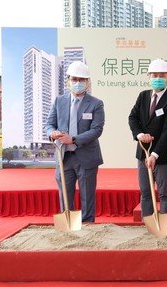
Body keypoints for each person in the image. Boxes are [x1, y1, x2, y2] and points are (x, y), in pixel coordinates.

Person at [45, 61, 105, 223]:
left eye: (81, 80)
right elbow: (49, 124)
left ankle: (88, 228)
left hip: (86, 157)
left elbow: (96, 130)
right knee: (65, 195)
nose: (77, 83)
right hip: (64, 157)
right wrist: (52, 133)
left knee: (87, 196)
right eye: (74, 79)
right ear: (68, 80)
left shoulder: (96, 104)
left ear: (87, 82)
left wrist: (73, 139)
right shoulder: (59, 101)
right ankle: (68, 227)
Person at [128, 58, 167, 218]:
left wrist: (154, 155)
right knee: (145, 192)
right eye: (154, 75)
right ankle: (147, 224)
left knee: (164, 193)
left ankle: (164, 222)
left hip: (162, 155)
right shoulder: (143, 96)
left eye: (161, 75)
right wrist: (139, 135)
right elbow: (132, 117)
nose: (157, 78)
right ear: (149, 76)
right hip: (143, 153)